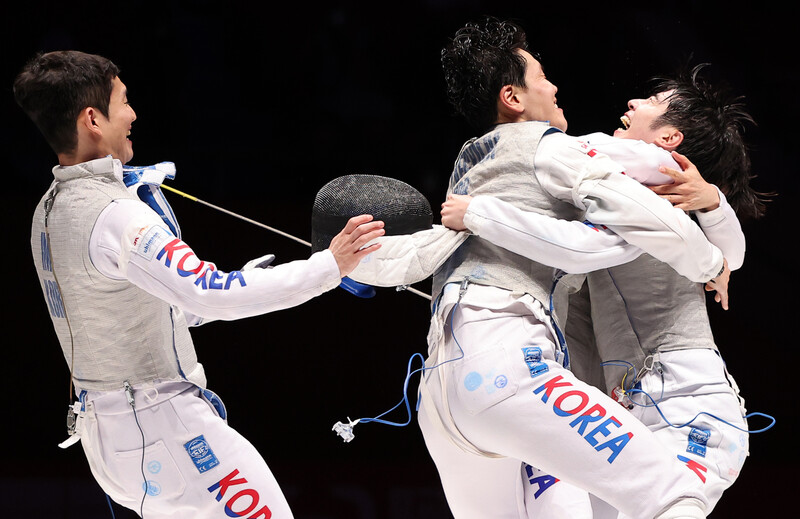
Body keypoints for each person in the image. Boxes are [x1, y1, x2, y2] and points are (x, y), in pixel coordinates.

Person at [347, 18, 731, 519]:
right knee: (673, 493)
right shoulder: (552, 147)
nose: (554, 86)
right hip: (507, 369)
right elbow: (658, 226)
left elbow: (415, 257)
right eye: (542, 76)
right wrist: (714, 261)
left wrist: (343, 262)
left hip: (439, 401)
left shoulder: (471, 165)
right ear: (513, 97)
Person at [14, 50, 385, 518]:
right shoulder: (115, 214)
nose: (132, 114)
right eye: (123, 101)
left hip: (108, 440)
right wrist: (329, 266)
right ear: (92, 118)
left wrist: (253, 279)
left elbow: (140, 312)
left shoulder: (47, 212)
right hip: (164, 430)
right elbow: (208, 292)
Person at [439, 65, 764, 517]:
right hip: (631, 408)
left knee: (673, 506)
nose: (633, 103)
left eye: (653, 104)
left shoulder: (650, 180)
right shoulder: (622, 189)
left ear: (669, 140)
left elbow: (729, 255)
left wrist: (479, 210)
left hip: (689, 410)